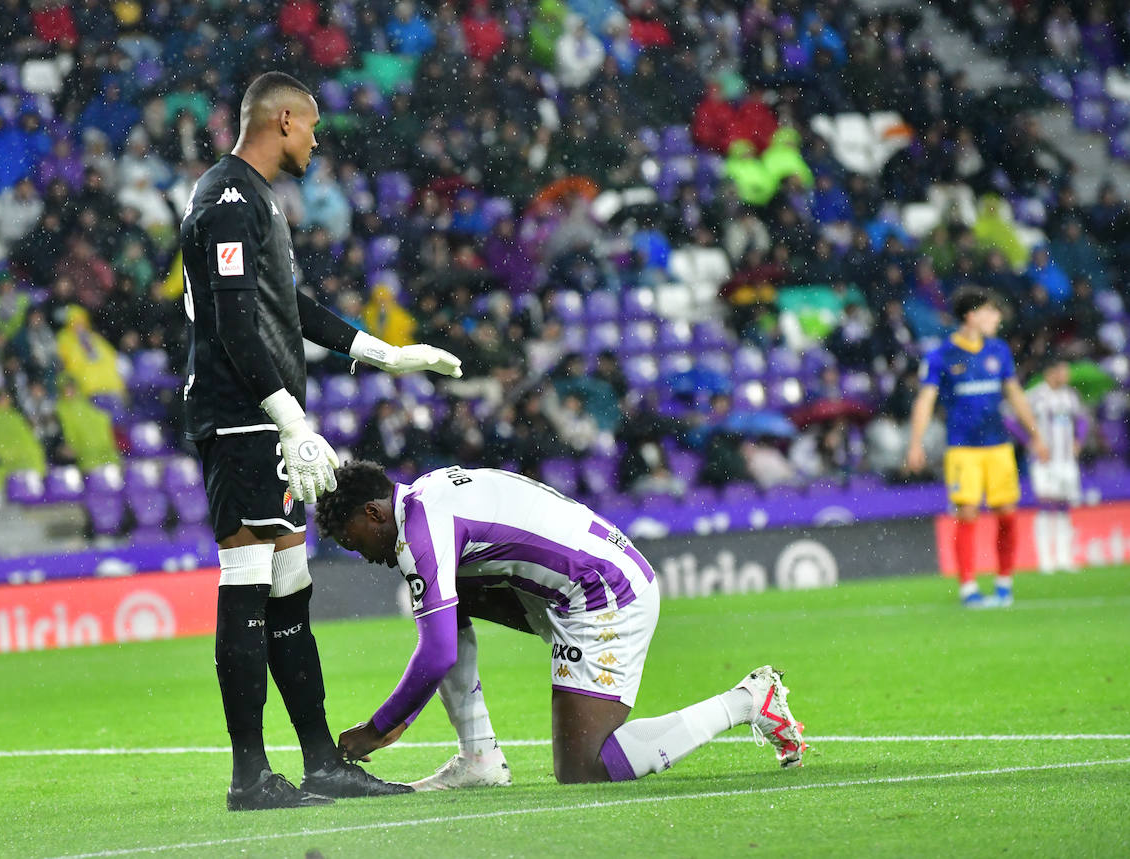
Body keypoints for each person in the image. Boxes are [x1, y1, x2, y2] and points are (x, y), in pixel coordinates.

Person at [180, 71, 462, 811]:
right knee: (246, 574)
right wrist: (289, 417)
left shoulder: (254, 198)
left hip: (263, 417)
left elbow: (287, 306)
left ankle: (318, 762)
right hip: (241, 417)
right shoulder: (228, 199)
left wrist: (383, 353)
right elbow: (236, 325)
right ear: (280, 121)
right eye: (308, 128)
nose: (314, 141)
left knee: (287, 585)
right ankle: (250, 774)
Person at [316, 461, 807, 787]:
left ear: (374, 511)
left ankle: (746, 701)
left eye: (354, 540)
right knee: (448, 599)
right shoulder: (429, 492)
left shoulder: (420, 534)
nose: (363, 555)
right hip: (584, 576)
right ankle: (479, 759)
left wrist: (378, 729)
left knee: (583, 768)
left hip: (605, 594)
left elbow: (438, 653)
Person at [906, 287, 1050, 607]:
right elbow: (925, 400)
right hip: (962, 447)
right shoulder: (941, 356)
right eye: (991, 311)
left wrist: (1035, 435)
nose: (997, 318)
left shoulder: (998, 351)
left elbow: (1015, 394)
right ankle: (969, 587)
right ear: (971, 316)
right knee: (968, 512)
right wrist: (915, 442)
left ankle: (1004, 583)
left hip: (998, 445)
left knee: (1007, 513)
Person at [1022, 359, 1088, 574]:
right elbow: (1011, 418)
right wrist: (1029, 440)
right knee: (1046, 505)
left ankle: (1064, 558)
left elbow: (1082, 420)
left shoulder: (1070, 395)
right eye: (1063, 370)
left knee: (1063, 507)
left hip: (1066, 460)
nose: (1067, 374)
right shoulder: (1035, 395)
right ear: (1051, 372)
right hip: (1044, 461)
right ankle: (1045, 559)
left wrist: (1079, 439)